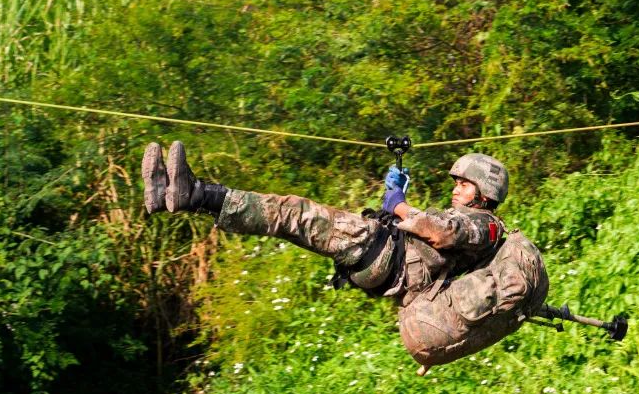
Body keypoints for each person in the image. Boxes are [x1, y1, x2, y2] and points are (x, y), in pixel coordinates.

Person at [142, 141, 547, 371]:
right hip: (384, 261)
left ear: (484, 193)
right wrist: (394, 208)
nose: (456, 189)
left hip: (385, 255)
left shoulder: (484, 224)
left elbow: (438, 232)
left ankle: (193, 193)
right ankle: (177, 196)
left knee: (291, 212)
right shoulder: (476, 225)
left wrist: (400, 204)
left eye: (464, 184)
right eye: (456, 183)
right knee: (289, 220)